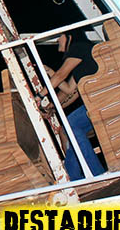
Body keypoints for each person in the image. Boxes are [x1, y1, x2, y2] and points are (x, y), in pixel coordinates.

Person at [40, 29, 105, 180]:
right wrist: (52, 107)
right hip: (96, 102)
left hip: (100, 100)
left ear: (69, 37)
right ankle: (75, 177)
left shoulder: (79, 47)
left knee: (70, 127)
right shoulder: (82, 61)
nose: (58, 40)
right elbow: (69, 90)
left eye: (60, 37)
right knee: (67, 130)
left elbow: (61, 75)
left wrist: (40, 95)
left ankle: (94, 174)